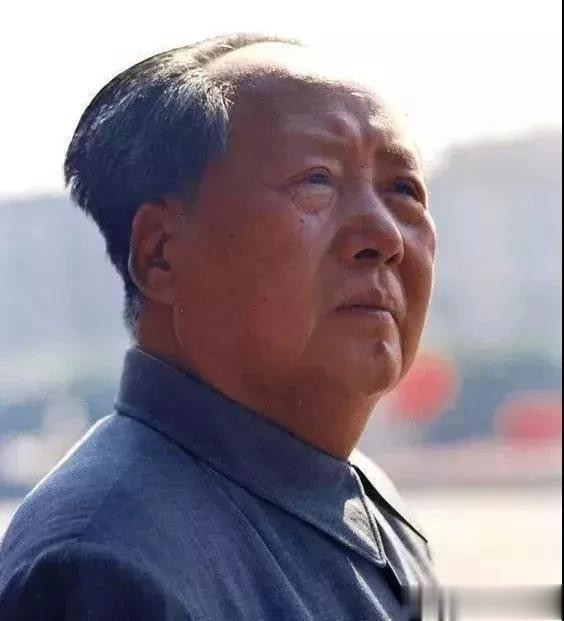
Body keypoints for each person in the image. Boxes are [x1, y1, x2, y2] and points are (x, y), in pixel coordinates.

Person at [0, 33, 439, 620]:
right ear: (160, 252)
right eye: (317, 180)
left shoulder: (362, 502)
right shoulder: (107, 566)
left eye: (403, 189)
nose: (383, 237)